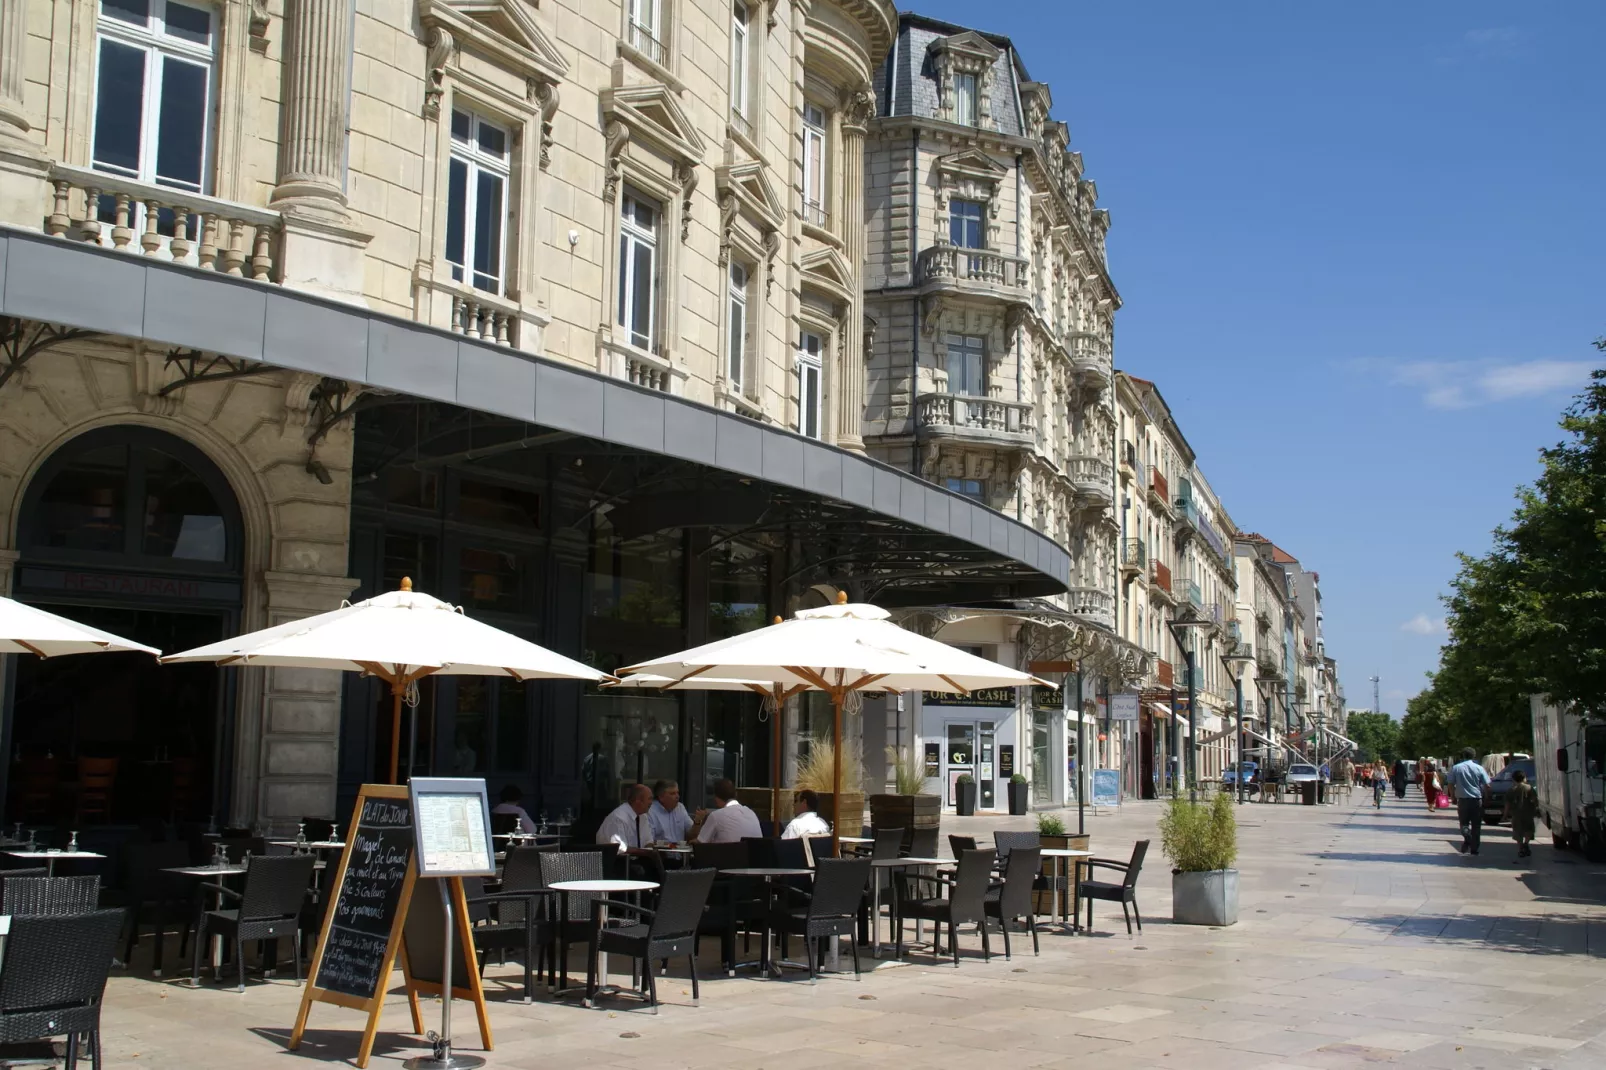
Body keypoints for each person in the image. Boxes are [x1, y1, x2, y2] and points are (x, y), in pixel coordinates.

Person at [1448, 747, 1492, 855]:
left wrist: (1453, 797)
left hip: (1462, 800)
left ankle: (1467, 837)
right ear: (1474, 756)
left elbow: (1450, 784)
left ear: (1462, 756)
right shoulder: (1479, 768)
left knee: (1464, 824)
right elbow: (1487, 785)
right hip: (1476, 800)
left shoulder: (1456, 768)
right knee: (1476, 825)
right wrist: (1487, 798)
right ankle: (1474, 848)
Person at [693, 778, 763, 843]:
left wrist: (687, 843)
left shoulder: (716, 816)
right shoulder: (751, 813)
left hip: (729, 855)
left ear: (716, 798)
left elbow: (700, 842)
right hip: (754, 855)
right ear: (735, 794)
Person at [596, 783, 653, 854]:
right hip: (616, 862)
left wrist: (654, 851)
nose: (651, 802)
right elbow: (620, 849)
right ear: (638, 800)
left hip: (637, 861)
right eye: (649, 799)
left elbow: (648, 842)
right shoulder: (618, 817)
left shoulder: (643, 816)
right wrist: (644, 852)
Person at [1504, 768, 1538, 858]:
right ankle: (1526, 843)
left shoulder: (1511, 790)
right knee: (1529, 830)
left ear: (1513, 779)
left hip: (1516, 815)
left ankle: (1520, 849)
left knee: (1518, 832)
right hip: (1528, 813)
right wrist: (1536, 809)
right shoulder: (1529, 788)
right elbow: (1534, 800)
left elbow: (1507, 804)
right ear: (1524, 778)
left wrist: (1505, 815)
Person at [647, 779, 694, 844]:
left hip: (680, 852)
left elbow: (692, 834)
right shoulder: (650, 811)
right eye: (672, 793)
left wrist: (697, 822)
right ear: (661, 797)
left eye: (677, 793)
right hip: (660, 852)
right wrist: (671, 846)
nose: (677, 796)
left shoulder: (680, 807)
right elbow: (648, 841)